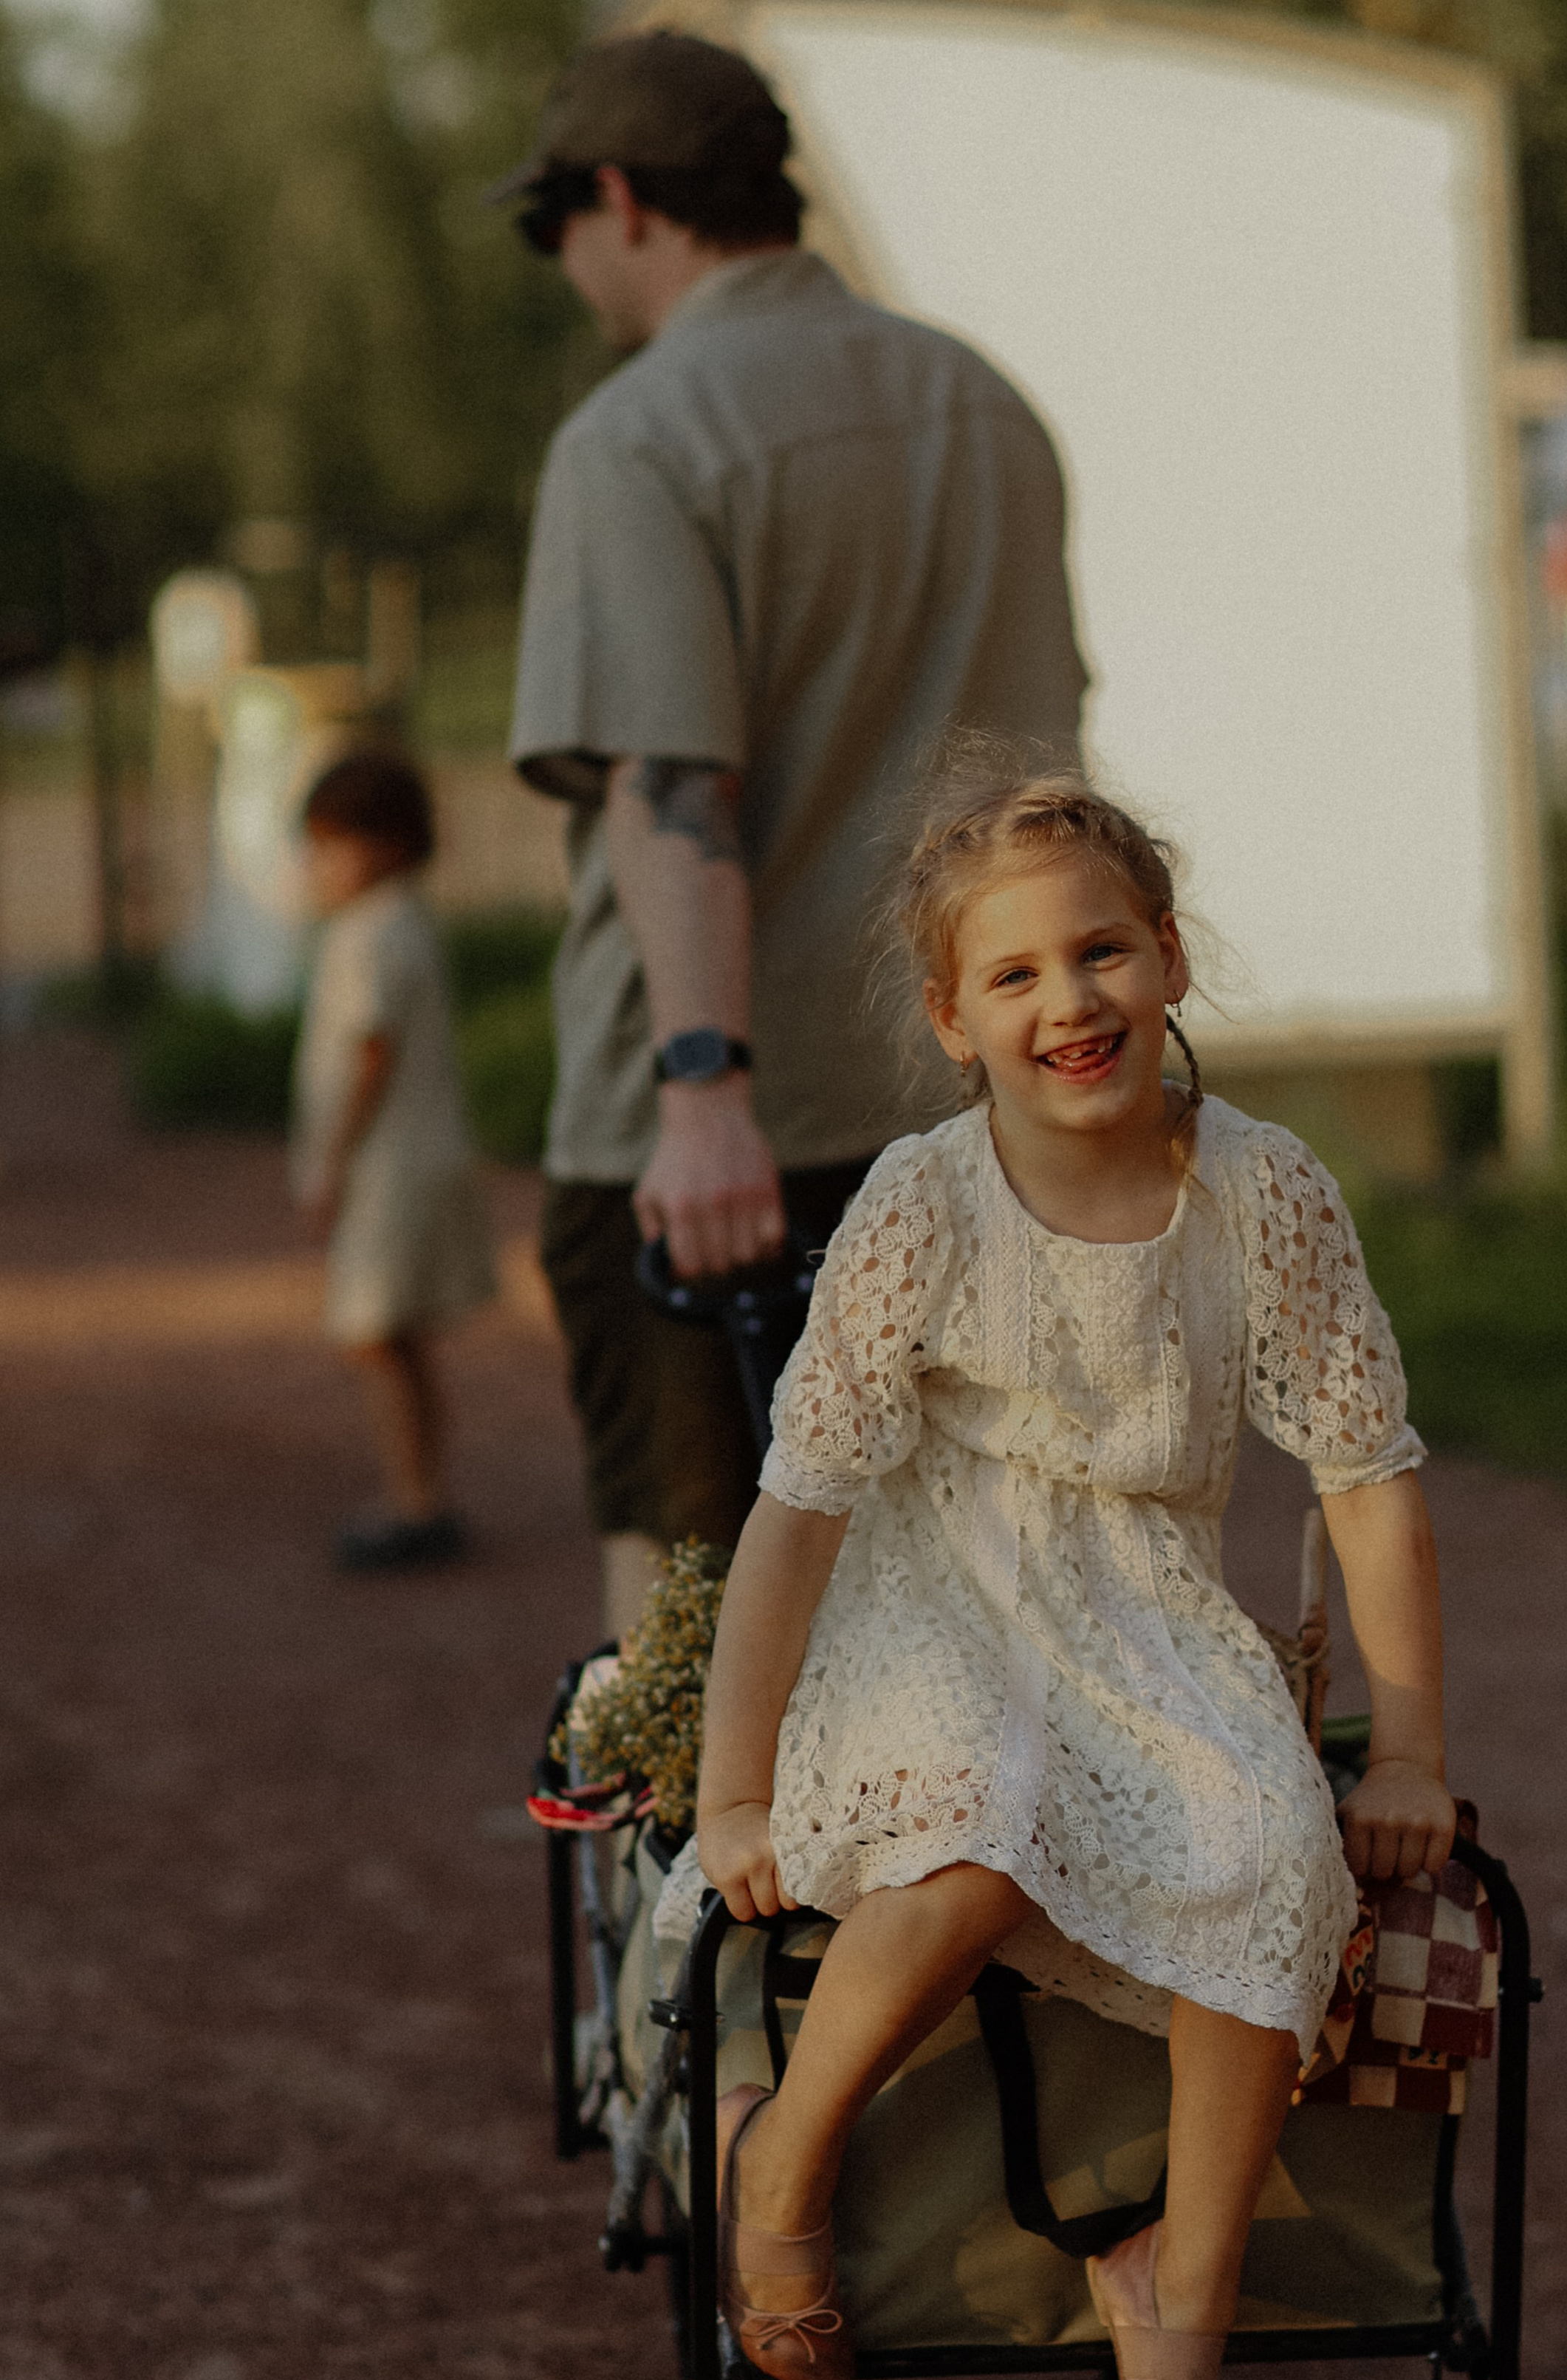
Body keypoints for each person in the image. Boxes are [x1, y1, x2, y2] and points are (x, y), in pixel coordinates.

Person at [678, 773, 1457, 2380]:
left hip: (1144, 1608)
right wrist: (733, 1787)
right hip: (933, 1593)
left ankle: (1178, 2313)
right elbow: (797, 1508)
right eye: (1014, 975)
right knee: (975, 1819)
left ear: (1167, 955)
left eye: (1100, 951)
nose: (1069, 1001)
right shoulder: (921, 1202)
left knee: (1272, 1850)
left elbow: (1364, 1476)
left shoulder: (1261, 1189)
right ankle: (781, 2159)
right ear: (952, 1019)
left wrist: (1406, 1747)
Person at [498, 27, 1087, 1639]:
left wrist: (702, 1093)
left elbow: (672, 789)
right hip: (974, 1108)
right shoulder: (981, 404)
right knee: (988, 1608)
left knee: (693, 1627)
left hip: (719, 1150)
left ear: (621, 200)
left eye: (552, 223)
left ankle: (688, 1832)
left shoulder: (638, 438)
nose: (565, 260)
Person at [290, 750, 496, 1572]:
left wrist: (328, 1163)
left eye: (330, 845)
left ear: (385, 844)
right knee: (397, 1337)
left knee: (373, 1335)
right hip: (420, 1157)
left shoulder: (366, 934)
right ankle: (422, 1491)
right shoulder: (406, 920)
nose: (316, 865)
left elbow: (369, 1052)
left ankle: (415, 1504)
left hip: (387, 1167)